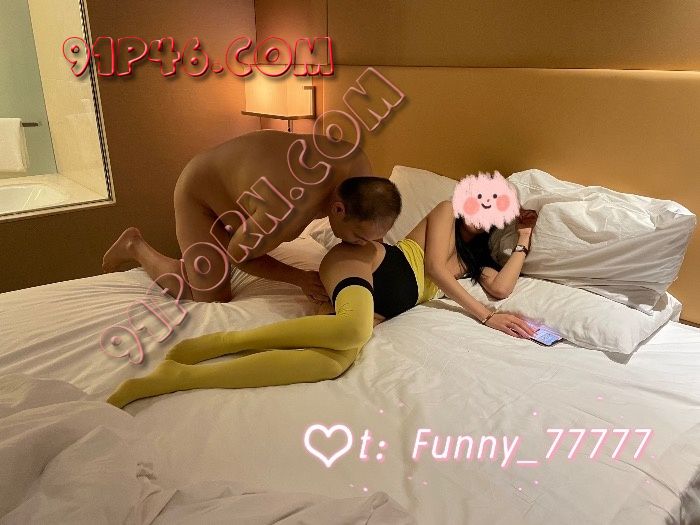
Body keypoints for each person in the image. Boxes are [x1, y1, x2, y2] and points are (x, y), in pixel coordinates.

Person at [106, 198, 538, 409]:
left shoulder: (476, 261)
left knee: (333, 362)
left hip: (388, 302)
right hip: (368, 262)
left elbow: (501, 289)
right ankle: (213, 344)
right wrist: (485, 316)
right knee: (352, 329)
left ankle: (180, 377)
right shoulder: (445, 210)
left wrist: (522, 239)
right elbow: (435, 269)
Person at [102, 129, 398, 304]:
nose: (364, 244)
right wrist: (299, 278)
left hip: (244, 188)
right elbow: (238, 256)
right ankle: (135, 246)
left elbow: (373, 231)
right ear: (338, 209)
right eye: (359, 237)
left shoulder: (359, 167)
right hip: (201, 194)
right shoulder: (285, 209)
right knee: (209, 296)